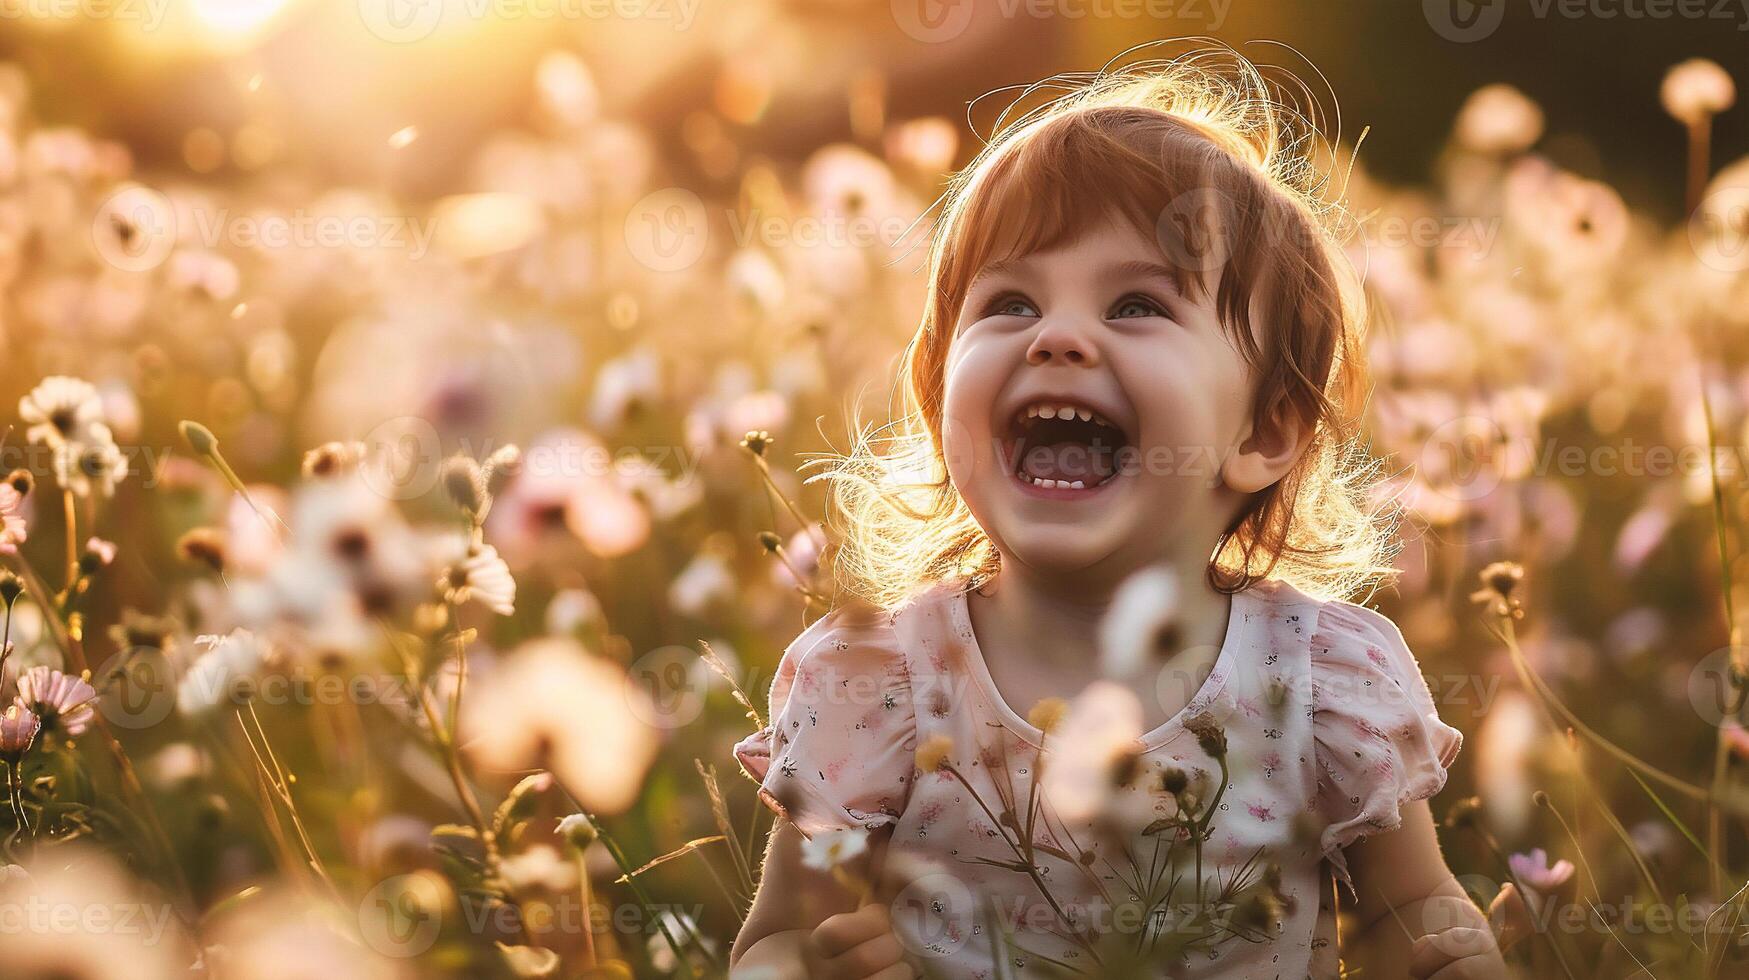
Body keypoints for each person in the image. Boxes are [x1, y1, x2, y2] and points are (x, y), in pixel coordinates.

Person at [730, 48, 1508, 980]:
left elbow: (1405, 913)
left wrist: (1449, 954)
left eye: (1137, 304)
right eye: (1009, 302)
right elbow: (773, 939)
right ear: (941, 401)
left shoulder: (1319, 677)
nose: (1057, 337)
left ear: (1263, 430)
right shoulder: (877, 683)